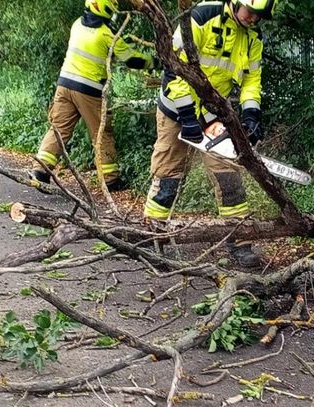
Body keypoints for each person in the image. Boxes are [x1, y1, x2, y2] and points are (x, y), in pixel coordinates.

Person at [143, 0, 277, 267]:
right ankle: (151, 237)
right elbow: (173, 68)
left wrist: (251, 114)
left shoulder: (252, 37)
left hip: (212, 114)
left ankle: (239, 241)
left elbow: (252, 79)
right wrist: (187, 116)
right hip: (175, 108)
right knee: (168, 176)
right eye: (251, 12)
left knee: (228, 175)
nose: (254, 19)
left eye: (259, 16)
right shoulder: (202, 17)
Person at [30, 0, 154, 191]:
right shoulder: (106, 34)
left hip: (64, 85)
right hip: (88, 90)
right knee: (101, 132)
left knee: (59, 128)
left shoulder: (77, 24)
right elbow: (132, 59)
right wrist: (154, 62)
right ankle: (110, 179)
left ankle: (40, 170)